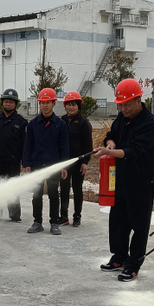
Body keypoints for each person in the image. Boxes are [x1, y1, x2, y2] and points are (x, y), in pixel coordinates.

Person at [94, 78, 154, 282]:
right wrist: (110, 142)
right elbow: (111, 133)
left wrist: (108, 152)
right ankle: (119, 257)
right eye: (120, 105)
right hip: (120, 181)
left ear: (138, 100)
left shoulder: (149, 124)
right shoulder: (122, 118)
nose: (123, 109)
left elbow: (133, 151)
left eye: (127, 104)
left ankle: (133, 265)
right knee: (118, 221)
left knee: (139, 226)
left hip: (140, 183)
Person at [22, 88, 69, 235]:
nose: (44, 105)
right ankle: (37, 222)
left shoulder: (60, 124)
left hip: (54, 165)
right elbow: (28, 144)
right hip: (36, 164)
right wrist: (26, 163)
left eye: (47, 102)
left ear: (54, 103)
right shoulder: (33, 124)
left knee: (53, 194)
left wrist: (64, 166)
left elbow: (64, 147)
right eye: (42, 102)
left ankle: (54, 223)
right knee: (36, 194)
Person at [0, 88, 27, 222]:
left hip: (13, 161)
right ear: (2, 103)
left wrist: (25, 162)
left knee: (13, 188)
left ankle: (14, 214)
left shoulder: (21, 122)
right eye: (6, 101)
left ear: (15, 104)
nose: (8, 104)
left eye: (11, 102)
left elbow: (24, 144)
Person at [59, 91, 93, 227]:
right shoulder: (61, 121)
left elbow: (88, 144)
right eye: (68, 105)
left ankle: (77, 216)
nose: (71, 107)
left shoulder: (84, 123)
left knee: (77, 189)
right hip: (64, 162)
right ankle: (63, 216)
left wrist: (85, 162)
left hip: (78, 162)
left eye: (74, 105)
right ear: (65, 106)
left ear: (78, 106)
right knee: (64, 189)